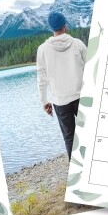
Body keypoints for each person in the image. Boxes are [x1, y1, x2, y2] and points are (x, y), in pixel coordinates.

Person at [36, 11, 86, 160]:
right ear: (65, 26)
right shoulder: (78, 44)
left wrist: (44, 101)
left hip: (60, 102)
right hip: (82, 96)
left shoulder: (42, 49)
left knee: (70, 138)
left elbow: (41, 79)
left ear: (52, 29)